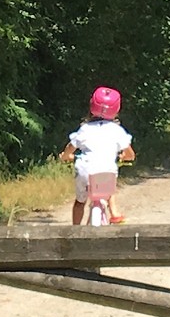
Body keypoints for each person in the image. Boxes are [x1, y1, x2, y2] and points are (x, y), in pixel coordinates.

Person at [58, 85, 135, 225]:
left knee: (80, 201)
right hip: (106, 171)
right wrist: (125, 157)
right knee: (108, 184)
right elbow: (130, 154)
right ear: (117, 109)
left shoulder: (85, 129)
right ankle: (114, 213)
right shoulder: (117, 130)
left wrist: (65, 156)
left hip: (85, 170)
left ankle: (75, 229)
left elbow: (71, 147)